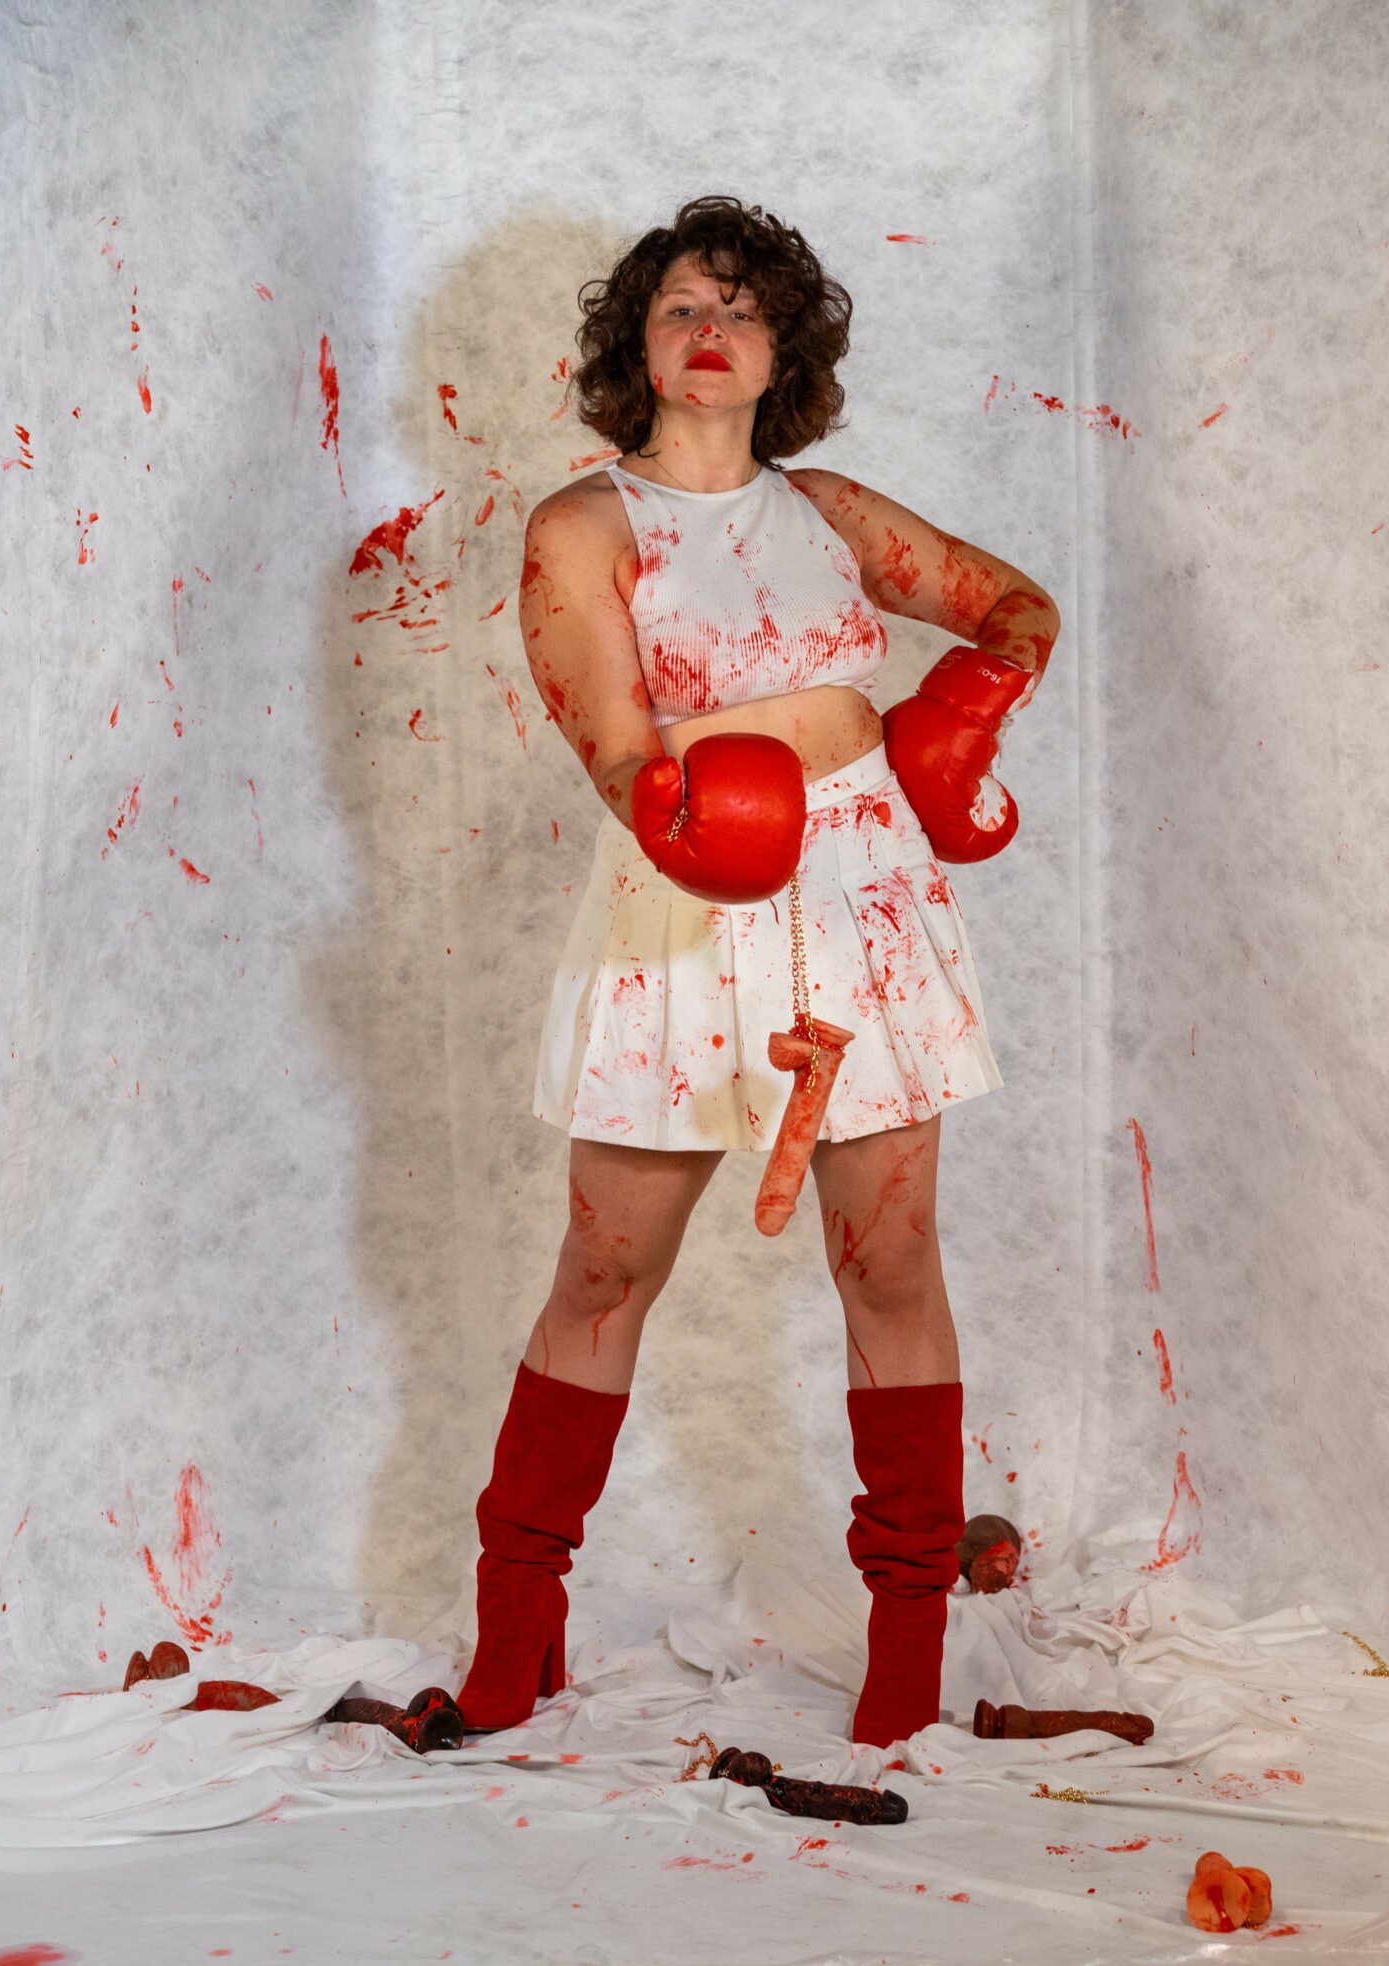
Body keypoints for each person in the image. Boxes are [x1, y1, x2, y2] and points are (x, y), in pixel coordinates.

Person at [454, 196, 1060, 1749]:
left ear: (784, 351)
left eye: (741, 308)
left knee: (892, 1273)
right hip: (679, 897)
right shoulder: (584, 527)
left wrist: (962, 716)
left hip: (864, 894)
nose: (709, 329)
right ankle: (517, 1621)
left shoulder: (834, 513)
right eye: (678, 307)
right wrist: (688, 803)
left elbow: (1015, 606)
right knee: (605, 1272)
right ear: (638, 347)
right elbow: (616, 747)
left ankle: (909, 1641)